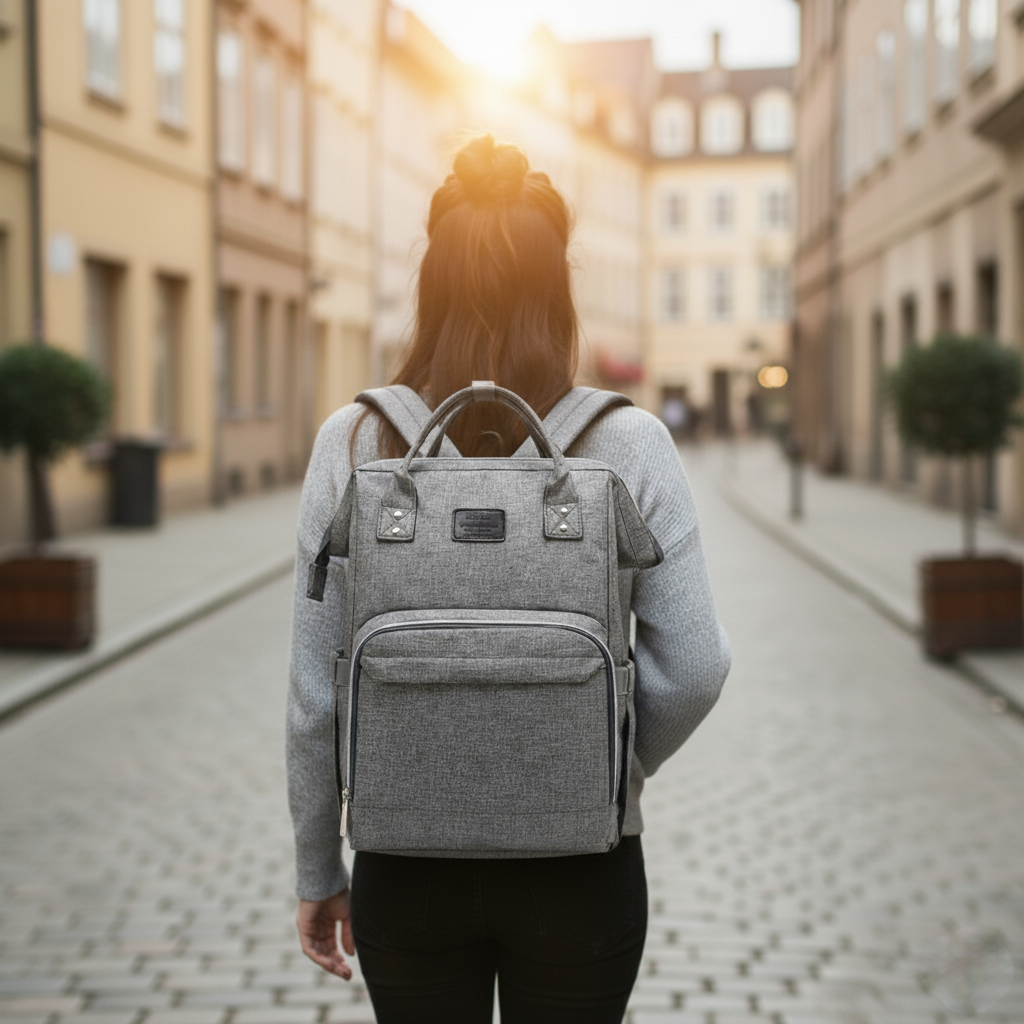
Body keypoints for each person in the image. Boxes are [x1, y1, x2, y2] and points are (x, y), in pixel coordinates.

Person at [287, 134, 731, 1023]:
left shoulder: (355, 442)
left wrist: (316, 867)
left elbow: (314, 695)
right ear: (558, 291)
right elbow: (697, 666)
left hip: (405, 866)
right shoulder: (630, 443)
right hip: (583, 870)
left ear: (430, 287)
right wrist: (595, 762)